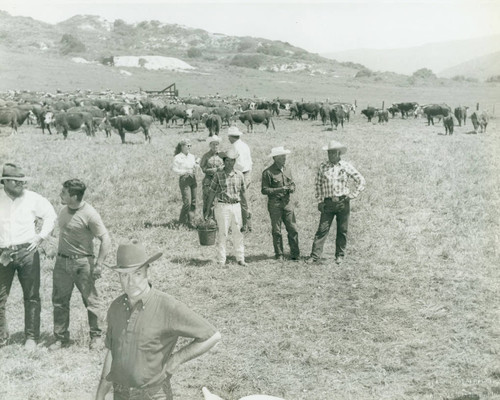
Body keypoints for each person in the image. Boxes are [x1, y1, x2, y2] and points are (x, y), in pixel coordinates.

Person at [95, 240, 221, 400]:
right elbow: (112, 353)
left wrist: (176, 359)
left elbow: (212, 336)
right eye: (124, 275)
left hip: (153, 394)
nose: (131, 282)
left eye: (137, 274)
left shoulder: (166, 306)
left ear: (148, 272)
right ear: (118, 276)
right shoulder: (116, 307)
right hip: (121, 394)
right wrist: (100, 394)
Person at [49, 179, 111, 351]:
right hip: (62, 263)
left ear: (74, 196)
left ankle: (96, 337)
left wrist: (98, 264)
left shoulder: (90, 214)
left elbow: (105, 239)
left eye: (64, 193)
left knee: (91, 301)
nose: (60, 195)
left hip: (83, 264)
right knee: (59, 301)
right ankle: (61, 338)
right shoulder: (63, 210)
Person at [0, 163, 57, 350]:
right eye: (16, 182)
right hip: (3, 254)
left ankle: (31, 337)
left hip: (27, 253)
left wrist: (40, 237)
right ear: (5, 182)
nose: (20, 185)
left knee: (32, 296)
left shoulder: (32, 198)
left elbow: (51, 215)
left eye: (22, 181)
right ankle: (1, 337)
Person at [307, 140, 366, 264]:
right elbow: (318, 184)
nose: (331, 155)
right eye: (329, 153)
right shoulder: (323, 166)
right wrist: (319, 201)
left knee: (342, 230)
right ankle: (315, 256)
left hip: (342, 202)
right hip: (328, 203)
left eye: (333, 153)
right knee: (322, 229)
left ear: (339, 153)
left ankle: (340, 255)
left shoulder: (345, 166)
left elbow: (361, 180)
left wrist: (353, 195)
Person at [204, 149, 247, 266]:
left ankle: (240, 258)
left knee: (238, 232)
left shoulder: (239, 175)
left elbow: (243, 194)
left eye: (232, 161)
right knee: (223, 233)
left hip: (236, 206)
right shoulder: (218, 175)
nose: (230, 163)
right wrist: (208, 209)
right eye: (227, 160)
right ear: (224, 161)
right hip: (223, 206)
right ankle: (222, 260)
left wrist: (246, 210)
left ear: (235, 161)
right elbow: (211, 193)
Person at [261, 146, 300, 261]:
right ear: (276, 158)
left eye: (285, 156)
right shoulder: (267, 172)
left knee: (292, 228)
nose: (284, 158)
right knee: (276, 230)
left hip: (287, 203)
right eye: (282, 156)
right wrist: (280, 189)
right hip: (275, 204)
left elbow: (292, 183)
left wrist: (292, 187)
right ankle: (279, 254)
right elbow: (264, 190)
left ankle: (295, 253)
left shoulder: (287, 170)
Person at [228, 126, 253, 232]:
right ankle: (247, 224)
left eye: (229, 136)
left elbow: (240, 165)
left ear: (231, 137)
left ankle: (246, 226)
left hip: (240, 174)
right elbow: (250, 161)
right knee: (245, 200)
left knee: (240, 200)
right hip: (247, 173)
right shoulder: (244, 145)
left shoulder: (234, 147)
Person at [172, 139, 199, 229]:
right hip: (184, 179)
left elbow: (195, 166)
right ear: (182, 146)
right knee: (187, 202)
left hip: (193, 179)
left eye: (190, 146)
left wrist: (196, 166)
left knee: (194, 201)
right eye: (188, 145)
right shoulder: (178, 157)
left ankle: (191, 221)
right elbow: (175, 169)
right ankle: (182, 222)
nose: (189, 147)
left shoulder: (191, 156)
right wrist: (185, 171)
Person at [199, 135, 224, 218]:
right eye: (213, 144)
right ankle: (207, 219)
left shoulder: (222, 155)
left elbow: (226, 165)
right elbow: (203, 168)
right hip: (208, 180)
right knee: (207, 200)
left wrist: (221, 169)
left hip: (219, 181)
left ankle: (217, 220)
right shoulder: (206, 156)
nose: (215, 146)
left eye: (217, 144)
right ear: (210, 145)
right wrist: (212, 170)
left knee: (219, 200)